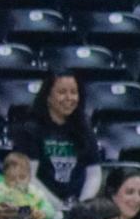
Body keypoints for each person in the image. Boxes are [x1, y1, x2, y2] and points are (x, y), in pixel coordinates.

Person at [10, 72, 102, 207]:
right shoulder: (30, 130)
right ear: (48, 96)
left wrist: (82, 206)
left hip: (78, 206)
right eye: (62, 92)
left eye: (74, 92)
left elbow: (94, 173)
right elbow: (28, 177)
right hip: (40, 205)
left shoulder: (85, 129)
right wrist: (58, 206)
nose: (69, 98)